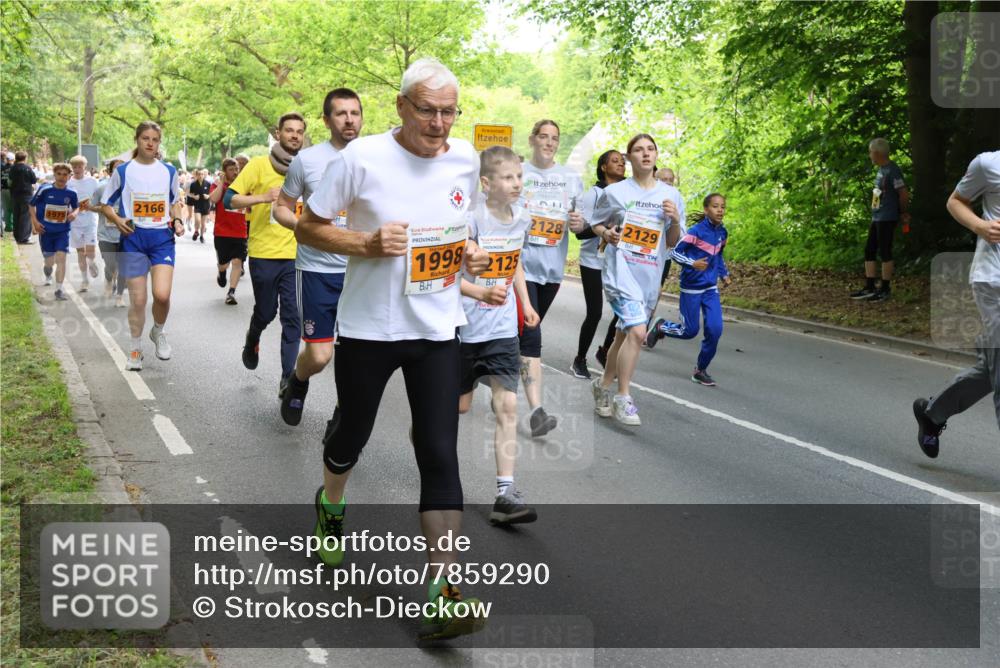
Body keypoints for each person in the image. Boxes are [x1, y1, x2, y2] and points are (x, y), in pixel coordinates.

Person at [296, 57, 490, 642]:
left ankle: (444, 588)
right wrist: (365, 241)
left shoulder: (465, 160)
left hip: (437, 329)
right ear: (402, 108)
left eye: (449, 111)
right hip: (369, 329)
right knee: (352, 433)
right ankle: (331, 504)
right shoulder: (362, 158)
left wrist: (471, 257)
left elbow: (462, 233)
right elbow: (308, 225)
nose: (438, 123)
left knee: (438, 449)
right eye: (427, 110)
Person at [458, 146, 539, 524]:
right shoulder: (470, 220)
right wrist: (481, 292)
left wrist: (524, 303)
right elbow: (446, 278)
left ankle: (505, 492)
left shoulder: (521, 218)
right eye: (508, 177)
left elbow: (515, 262)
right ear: (486, 183)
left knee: (507, 407)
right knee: (453, 409)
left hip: (502, 331)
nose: (517, 184)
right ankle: (429, 453)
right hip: (461, 329)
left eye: (519, 177)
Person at [274, 88, 362, 426]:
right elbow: (281, 207)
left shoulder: (375, 157)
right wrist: (304, 226)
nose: (349, 119)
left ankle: (343, 415)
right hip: (317, 269)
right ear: (326, 120)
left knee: (357, 354)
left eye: (354, 113)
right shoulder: (306, 160)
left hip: (362, 271)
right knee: (321, 354)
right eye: (341, 113)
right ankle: (298, 380)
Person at [590, 134, 684, 425]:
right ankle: (623, 397)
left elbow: (671, 243)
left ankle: (602, 385)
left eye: (650, 149)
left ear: (656, 156)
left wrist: (676, 220)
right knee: (638, 333)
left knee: (624, 334)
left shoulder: (671, 195)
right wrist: (607, 234)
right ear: (629, 158)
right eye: (638, 150)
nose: (645, 154)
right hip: (620, 273)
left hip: (649, 275)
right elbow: (595, 222)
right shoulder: (616, 192)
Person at [913, 150, 1000, 456]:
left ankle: (933, 414)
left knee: (994, 369)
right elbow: (955, 201)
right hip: (994, 281)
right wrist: (980, 226)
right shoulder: (988, 164)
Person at [225, 112, 304, 396]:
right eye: (289, 130)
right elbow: (228, 199)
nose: (295, 135)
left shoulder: (308, 167)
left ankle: (287, 379)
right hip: (263, 253)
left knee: (293, 317)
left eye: (299, 131)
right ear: (279, 133)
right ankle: (253, 334)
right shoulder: (258, 166)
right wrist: (263, 197)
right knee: (267, 311)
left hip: (297, 256)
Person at [100, 120, 186, 371]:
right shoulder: (124, 171)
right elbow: (106, 204)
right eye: (145, 138)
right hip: (133, 238)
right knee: (138, 300)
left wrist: (178, 219)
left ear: (159, 143)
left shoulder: (168, 171)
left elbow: (174, 202)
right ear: (137, 140)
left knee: (162, 295)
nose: (150, 143)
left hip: (161, 239)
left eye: (155, 139)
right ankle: (135, 349)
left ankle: (157, 331)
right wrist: (117, 219)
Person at [518, 120, 586, 435]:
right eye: (543, 136)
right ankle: (536, 411)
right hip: (520, 266)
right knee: (531, 335)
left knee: (520, 335)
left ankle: (482, 363)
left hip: (552, 270)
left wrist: (578, 222)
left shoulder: (570, 178)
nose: (548, 142)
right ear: (532, 139)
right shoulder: (519, 172)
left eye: (554, 138)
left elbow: (582, 222)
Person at [647, 193, 729, 387]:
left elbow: (718, 256)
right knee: (689, 331)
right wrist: (693, 263)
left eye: (723, 207)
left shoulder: (722, 233)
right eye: (715, 206)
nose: (720, 210)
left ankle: (700, 370)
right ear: (706, 209)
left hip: (710, 288)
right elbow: (675, 252)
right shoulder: (695, 232)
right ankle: (661, 326)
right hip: (691, 288)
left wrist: (724, 274)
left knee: (715, 330)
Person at [574, 150, 625, 377]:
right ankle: (579, 359)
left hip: (617, 261)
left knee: (623, 311)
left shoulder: (626, 194)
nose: (621, 164)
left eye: (623, 162)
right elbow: (581, 233)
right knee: (594, 313)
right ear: (603, 167)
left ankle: (605, 351)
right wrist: (604, 230)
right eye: (615, 161)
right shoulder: (593, 194)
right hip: (592, 260)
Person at [851, 138, 910, 302]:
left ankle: (885, 288)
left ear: (876, 153)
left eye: (870, 152)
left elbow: (903, 193)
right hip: (877, 216)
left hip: (887, 217)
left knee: (885, 251)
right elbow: (878, 192)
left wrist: (904, 212)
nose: (869, 155)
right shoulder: (881, 170)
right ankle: (870, 286)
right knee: (869, 250)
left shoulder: (892, 170)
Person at [29, 162, 79, 300]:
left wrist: (74, 213)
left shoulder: (72, 193)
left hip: (62, 231)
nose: (62, 177)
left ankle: (58, 290)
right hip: (45, 231)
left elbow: (76, 207)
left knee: (61, 258)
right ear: (54, 174)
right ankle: (47, 272)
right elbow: (31, 205)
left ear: (69, 176)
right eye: (59, 174)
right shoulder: (44, 190)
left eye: (65, 175)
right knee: (49, 262)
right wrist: (35, 222)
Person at [209, 158, 248, 305]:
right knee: (224, 264)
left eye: (236, 169)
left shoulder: (244, 185)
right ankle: (221, 271)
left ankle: (231, 292)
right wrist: (221, 183)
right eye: (231, 169)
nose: (235, 172)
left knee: (238, 262)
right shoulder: (218, 185)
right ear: (225, 172)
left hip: (240, 232)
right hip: (222, 232)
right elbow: (214, 199)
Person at [95, 159, 127, 306]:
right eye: (116, 169)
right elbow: (90, 206)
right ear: (110, 172)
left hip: (125, 233)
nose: (119, 171)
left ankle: (119, 296)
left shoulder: (131, 189)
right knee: (110, 264)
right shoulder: (102, 188)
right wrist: (106, 210)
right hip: (105, 234)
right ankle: (109, 279)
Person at [68, 155, 101, 291]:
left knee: (90, 251)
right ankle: (84, 280)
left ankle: (92, 262)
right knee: (80, 252)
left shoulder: (93, 182)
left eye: (79, 166)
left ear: (84, 167)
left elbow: (98, 198)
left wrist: (92, 206)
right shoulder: (69, 183)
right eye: (74, 167)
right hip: (75, 223)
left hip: (90, 220)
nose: (77, 169)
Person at [10, 151, 38, 244]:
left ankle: (17, 236)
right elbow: (33, 180)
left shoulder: (13, 168)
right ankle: (24, 237)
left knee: (16, 215)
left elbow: (10, 178)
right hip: (26, 194)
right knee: (25, 216)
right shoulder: (27, 168)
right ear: (25, 158)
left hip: (15, 194)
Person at [188, 169, 212, 242]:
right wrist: (194, 197)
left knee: (203, 223)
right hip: (197, 205)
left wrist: (208, 196)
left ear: (204, 175)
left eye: (202, 174)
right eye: (199, 174)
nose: (200, 175)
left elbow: (212, 193)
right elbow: (190, 193)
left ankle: (202, 236)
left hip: (206, 205)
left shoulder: (208, 183)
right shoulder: (193, 184)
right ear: (197, 175)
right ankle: (196, 231)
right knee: (197, 220)